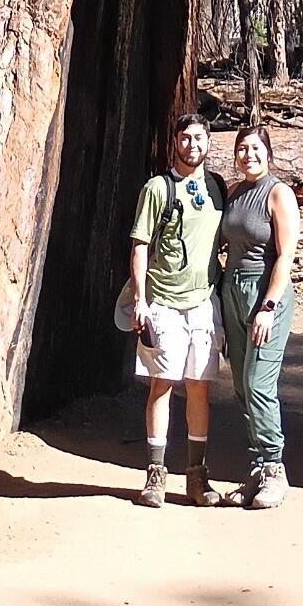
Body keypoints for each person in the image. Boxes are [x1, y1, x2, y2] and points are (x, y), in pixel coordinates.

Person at [128, 112, 226, 508]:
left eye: (199, 138)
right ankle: (156, 474)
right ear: (175, 143)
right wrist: (140, 300)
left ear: (208, 143)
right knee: (162, 384)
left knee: (199, 387)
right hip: (164, 302)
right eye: (186, 138)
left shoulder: (217, 188)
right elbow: (139, 243)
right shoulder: (157, 188)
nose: (193, 145)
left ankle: (197, 476)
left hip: (203, 303)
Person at [219, 123, 300, 508]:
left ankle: (275, 469)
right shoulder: (235, 194)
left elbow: (285, 255)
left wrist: (268, 306)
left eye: (255, 148)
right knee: (239, 384)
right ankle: (256, 470)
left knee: (257, 383)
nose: (248, 155)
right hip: (232, 291)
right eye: (241, 149)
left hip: (265, 294)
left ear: (267, 153)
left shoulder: (278, 193)